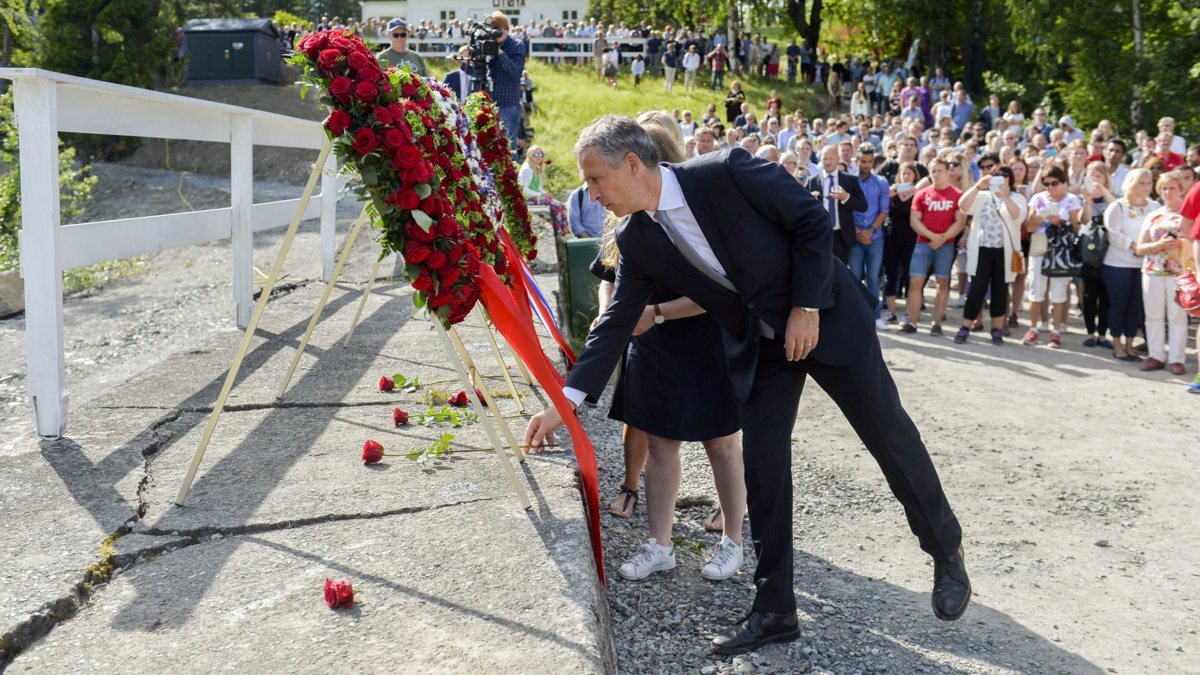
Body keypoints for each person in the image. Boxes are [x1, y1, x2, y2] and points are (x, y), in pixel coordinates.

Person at [524, 115, 969, 656]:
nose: (590, 194)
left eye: (595, 180)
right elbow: (618, 321)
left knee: (888, 435)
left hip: (826, 316)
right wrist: (562, 405)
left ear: (633, 164)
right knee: (763, 467)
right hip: (762, 347)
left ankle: (945, 549)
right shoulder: (638, 239)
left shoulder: (726, 171)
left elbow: (810, 221)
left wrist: (805, 307)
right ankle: (776, 609)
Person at [588, 112, 748, 580]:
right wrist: (617, 315)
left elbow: (716, 292)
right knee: (660, 444)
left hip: (703, 339)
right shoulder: (627, 225)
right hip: (651, 345)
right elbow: (612, 278)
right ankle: (661, 543)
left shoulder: (692, 213)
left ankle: (732, 541)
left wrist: (655, 313)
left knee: (721, 442)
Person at [955, 165, 1028, 344]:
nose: (1001, 179)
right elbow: (963, 206)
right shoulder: (982, 196)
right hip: (982, 249)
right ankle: (965, 326)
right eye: (996, 176)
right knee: (977, 288)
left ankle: (997, 329)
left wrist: (1004, 196)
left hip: (1005, 251)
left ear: (1010, 180)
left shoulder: (1017, 197)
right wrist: (978, 186)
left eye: (1005, 176)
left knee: (1000, 290)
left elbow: (1018, 216)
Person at [901, 157, 965, 336]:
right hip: (923, 243)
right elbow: (914, 220)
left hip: (946, 244)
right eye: (933, 171)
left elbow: (960, 222)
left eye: (939, 171)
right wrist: (932, 236)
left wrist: (943, 237)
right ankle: (912, 322)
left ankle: (936, 323)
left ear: (946, 172)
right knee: (915, 281)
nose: (936, 174)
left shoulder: (957, 194)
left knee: (942, 282)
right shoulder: (922, 194)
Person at [1135, 172, 1190, 374]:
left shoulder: (1189, 215)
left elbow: (1195, 243)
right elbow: (1140, 247)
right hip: (1153, 271)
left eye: (1172, 187)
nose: (1168, 192)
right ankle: (1156, 355)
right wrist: (1157, 244)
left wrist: (1180, 244)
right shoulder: (1153, 215)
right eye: (1164, 188)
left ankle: (1177, 359)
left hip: (1180, 273)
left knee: (1177, 317)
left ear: (1181, 189)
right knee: (1153, 316)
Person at [1022, 165, 1081, 348]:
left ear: (1063, 182)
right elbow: (1028, 227)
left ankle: (1056, 331)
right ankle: (1033, 328)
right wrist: (1037, 220)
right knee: (1036, 289)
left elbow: (1077, 226)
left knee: (1059, 291)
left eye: (1054, 183)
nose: (1050, 187)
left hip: (1061, 249)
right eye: (1046, 183)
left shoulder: (1072, 200)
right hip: (1039, 245)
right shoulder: (1037, 198)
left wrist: (1059, 222)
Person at [1103, 168, 1156, 361]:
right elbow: (1113, 234)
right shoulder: (1118, 206)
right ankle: (1117, 345)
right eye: (1141, 182)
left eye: (1148, 183)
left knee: (1135, 307)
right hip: (1118, 265)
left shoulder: (1154, 206)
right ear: (1131, 183)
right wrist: (1135, 246)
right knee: (1119, 305)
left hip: (1143, 265)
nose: (1145, 187)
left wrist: (1146, 248)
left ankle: (1130, 345)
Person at [849, 146, 890, 328]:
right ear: (857, 161)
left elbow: (884, 210)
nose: (866, 165)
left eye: (869, 161)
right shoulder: (850, 181)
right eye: (863, 161)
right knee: (855, 278)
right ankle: (856, 316)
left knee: (873, 278)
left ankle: (875, 317)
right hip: (855, 237)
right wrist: (858, 232)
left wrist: (870, 231)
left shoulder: (881, 182)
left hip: (875, 237)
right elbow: (846, 208)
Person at [1079, 161, 1116, 348]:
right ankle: (1090, 333)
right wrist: (1088, 201)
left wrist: (1102, 188)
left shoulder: (1112, 198)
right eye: (1091, 176)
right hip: (1090, 255)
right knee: (1089, 296)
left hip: (1109, 254)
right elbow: (1084, 221)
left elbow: (1117, 209)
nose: (1094, 180)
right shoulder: (1084, 199)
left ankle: (1103, 334)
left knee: (1106, 297)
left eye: (1098, 176)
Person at [810, 144, 867, 263]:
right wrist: (810, 201)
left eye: (831, 158)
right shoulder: (813, 181)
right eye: (825, 159)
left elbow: (863, 206)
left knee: (841, 276)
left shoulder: (849, 180)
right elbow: (802, 208)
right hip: (820, 236)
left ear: (837, 158)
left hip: (842, 237)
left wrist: (846, 197)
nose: (828, 162)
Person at [884, 162, 921, 323]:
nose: (906, 176)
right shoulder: (891, 191)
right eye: (903, 173)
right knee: (890, 274)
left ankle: (908, 312)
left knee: (908, 274)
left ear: (914, 176)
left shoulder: (917, 193)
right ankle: (891, 312)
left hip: (910, 238)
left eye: (909, 174)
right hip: (892, 237)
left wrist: (915, 192)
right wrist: (887, 195)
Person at [484, 12, 527, 153]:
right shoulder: (488, 45)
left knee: (509, 149)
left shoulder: (517, 45)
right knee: (490, 149)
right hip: (490, 104)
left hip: (508, 105)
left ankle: (512, 175)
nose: (495, 32)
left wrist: (500, 53)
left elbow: (516, 72)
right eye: (493, 29)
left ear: (506, 29)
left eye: (498, 29)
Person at [517, 145, 569, 234]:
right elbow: (524, 190)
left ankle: (563, 231)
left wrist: (545, 194)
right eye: (535, 155)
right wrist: (541, 195)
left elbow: (538, 188)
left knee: (562, 205)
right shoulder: (527, 169)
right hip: (528, 199)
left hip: (536, 197)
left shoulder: (537, 168)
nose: (538, 157)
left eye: (540, 154)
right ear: (530, 156)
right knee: (557, 206)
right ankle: (560, 232)